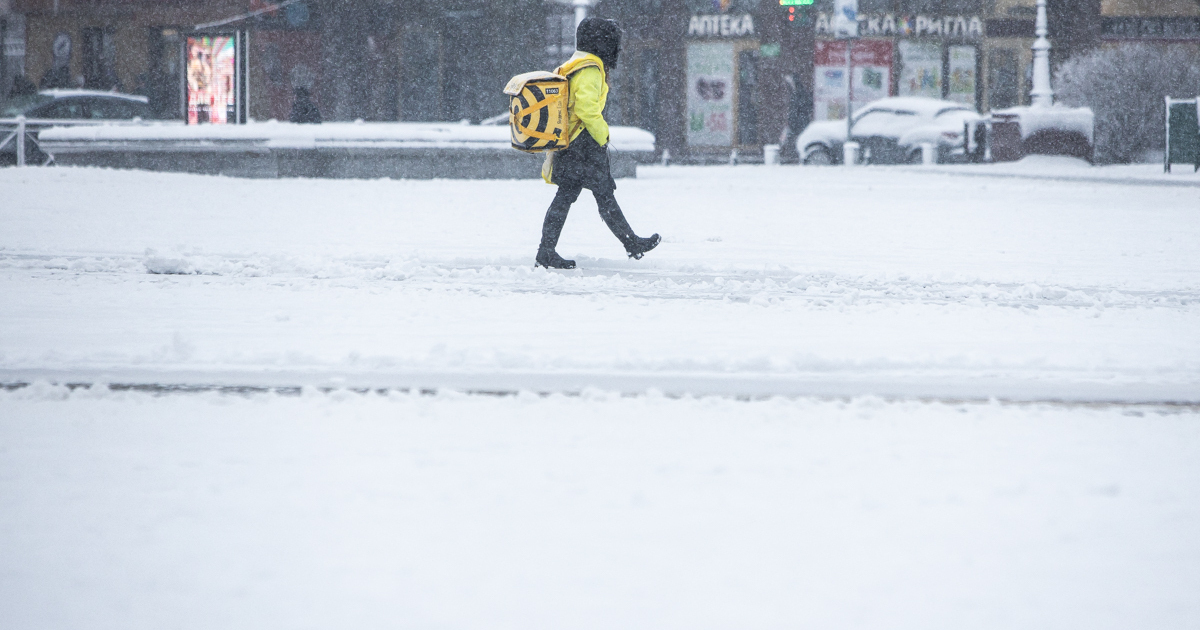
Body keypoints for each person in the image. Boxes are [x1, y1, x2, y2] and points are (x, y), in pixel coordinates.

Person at [535, 17, 659, 270]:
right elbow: (586, 108)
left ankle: (546, 251)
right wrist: (603, 135)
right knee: (601, 195)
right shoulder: (590, 68)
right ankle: (630, 243)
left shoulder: (572, 64)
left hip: (571, 142)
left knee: (572, 196)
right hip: (584, 144)